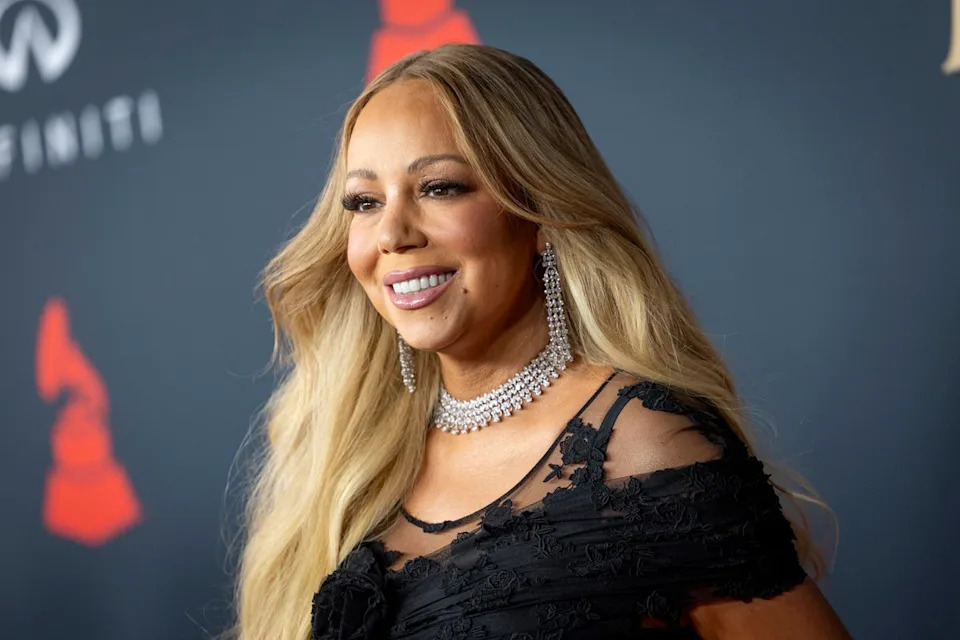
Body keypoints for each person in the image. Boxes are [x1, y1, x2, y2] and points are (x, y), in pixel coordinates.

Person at [229, 44, 852, 639]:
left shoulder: (642, 448)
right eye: (364, 201)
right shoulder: (350, 452)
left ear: (539, 213)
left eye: (440, 187)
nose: (392, 233)